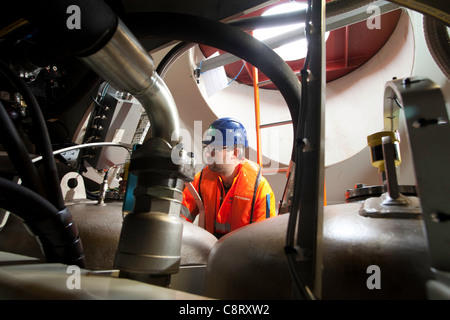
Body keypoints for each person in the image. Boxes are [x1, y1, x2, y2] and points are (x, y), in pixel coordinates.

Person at [181, 117, 276, 239]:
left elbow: (263, 241)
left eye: (214, 149)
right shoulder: (201, 180)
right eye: (207, 148)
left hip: (242, 254)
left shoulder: (260, 190)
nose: (207, 154)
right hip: (208, 252)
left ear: (235, 153)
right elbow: (181, 218)